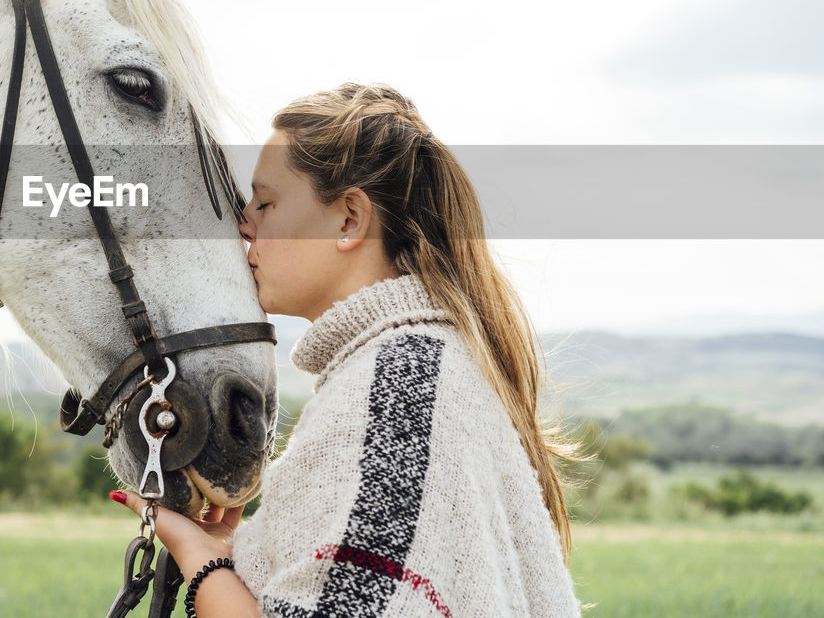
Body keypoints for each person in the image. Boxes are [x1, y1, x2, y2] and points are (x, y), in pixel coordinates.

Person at [110, 82, 582, 617]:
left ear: (349, 219)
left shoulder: (399, 388)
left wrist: (198, 558)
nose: (243, 224)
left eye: (265, 202)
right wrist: (239, 555)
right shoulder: (422, 366)